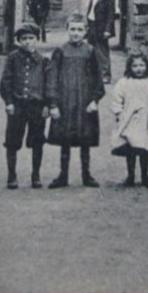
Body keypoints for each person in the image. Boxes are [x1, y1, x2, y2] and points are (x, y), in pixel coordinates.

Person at [46, 12, 104, 188]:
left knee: (85, 138)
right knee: (66, 139)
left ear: (85, 31)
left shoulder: (90, 51)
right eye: (72, 29)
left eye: (80, 29)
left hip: (84, 101)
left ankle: (86, 175)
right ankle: (63, 176)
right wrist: (53, 104)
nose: (76, 33)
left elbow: (97, 78)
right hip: (65, 101)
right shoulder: (60, 51)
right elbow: (52, 77)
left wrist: (95, 100)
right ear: (67, 30)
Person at [0, 22, 49, 189]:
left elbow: (49, 84)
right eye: (24, 39)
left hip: (37, 106)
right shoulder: (13, 58)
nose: (27, 42)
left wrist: (47, 105)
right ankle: (11, 175)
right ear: (19, 41)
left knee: (37, 141)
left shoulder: (43, 60)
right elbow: (5, 81)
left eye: (31, 38)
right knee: (12, 141)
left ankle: (36, 175)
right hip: (17, 105)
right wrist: (9, 102)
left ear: (36, 40)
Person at [111, 49, 148, 188]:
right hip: (128, 120)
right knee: (130, 148)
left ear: (147, 66)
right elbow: (116, 99)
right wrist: (118, 113)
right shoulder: (124, 82)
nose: (138, 69)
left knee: (143, 149)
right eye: (135, 66)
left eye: (142, 65)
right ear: (129, 67)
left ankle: (144, 176)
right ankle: (130, 176)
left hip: (146, 121)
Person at [87, 0, 117, 82]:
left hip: (101, 28)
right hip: (91, 26)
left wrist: (107, 30)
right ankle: (94, 74)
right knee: (91, 50)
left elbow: (110, 15)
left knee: (102, 52)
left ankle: (106, 75)